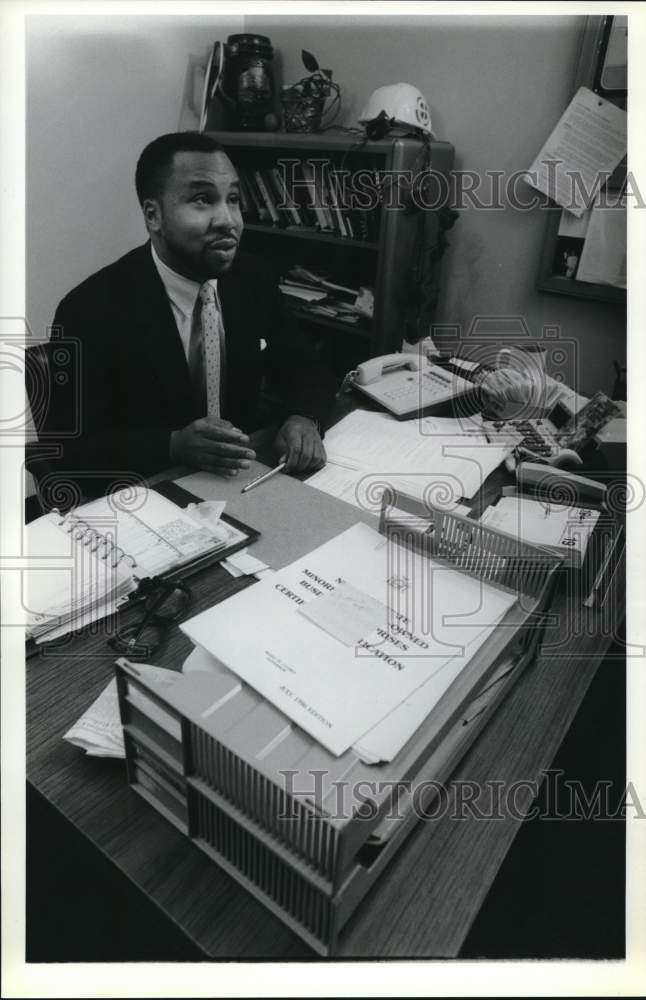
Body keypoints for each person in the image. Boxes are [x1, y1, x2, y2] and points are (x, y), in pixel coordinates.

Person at [37, 131, 335, 500]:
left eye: (234, 199)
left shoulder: (251, 278)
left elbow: (304, 365)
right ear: (153, 215)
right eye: (202, 199)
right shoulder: (90, 308)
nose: (228, 220)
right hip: (146, 494)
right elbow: (66, 450)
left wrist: (304, 416)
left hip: (241, 483)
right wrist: (172, 444)